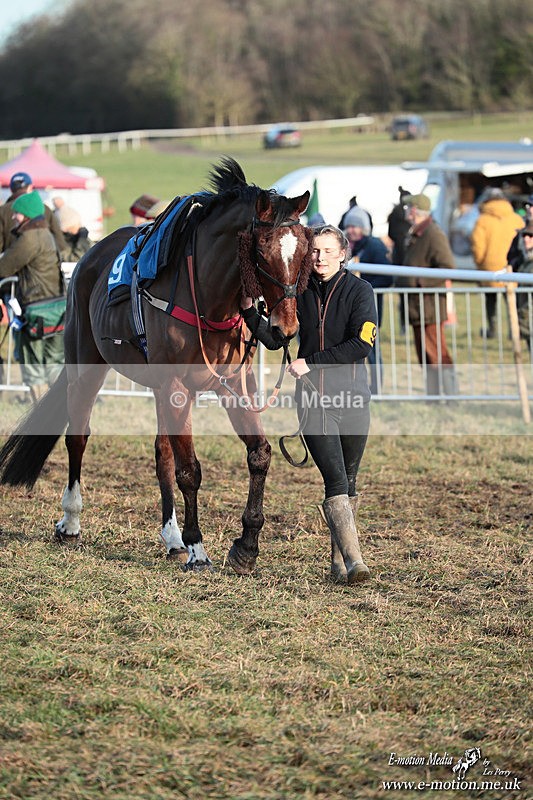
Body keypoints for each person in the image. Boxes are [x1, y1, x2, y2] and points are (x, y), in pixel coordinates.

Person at [241, 225, 377, 584]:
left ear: (342, 254)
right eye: (314, 251)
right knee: (334, 478)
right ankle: (356, 562)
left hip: (352, 397)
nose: (319, 258)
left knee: (349, 480)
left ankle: (338, 565)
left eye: (328, 251)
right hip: (313, 400)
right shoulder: (297, 295)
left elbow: (361, 345)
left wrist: (311, 362)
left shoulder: (360, 292)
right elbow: (274, 338)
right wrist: (249, 314)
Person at [0, 191, 64, 403]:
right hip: (56, 308)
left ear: (27, 215)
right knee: (54, 364)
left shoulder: (29, 238)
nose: (13, 217)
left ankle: (40, 416)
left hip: (36, 309)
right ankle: (57, 410)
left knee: (33, 366)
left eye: (17, 214)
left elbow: (4, 267)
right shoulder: (46, 235)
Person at [402, 193, 457, 397]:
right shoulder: (416, 233)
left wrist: (420, 283)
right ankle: (432, 396)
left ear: (415, 210)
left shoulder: (433, 233)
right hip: (418, 305)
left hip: (430, 305)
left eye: (408, 208)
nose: (406, 211)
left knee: (437, 352)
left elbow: (448, 267)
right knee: (425, 354)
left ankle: (451, 396)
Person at [343, 206, 392, 394]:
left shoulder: (374, 246)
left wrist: (364, 286)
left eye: (356, 226)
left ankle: (376, 388)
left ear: (364, 228)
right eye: (349, 226)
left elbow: (387, 277)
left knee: (371, 350)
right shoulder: (347, 246)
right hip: (350, 308)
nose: (352, 230)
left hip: (370, 307)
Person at [471, 188, 524, 338]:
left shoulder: (482, 220)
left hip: (489, 268)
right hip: (511, 266)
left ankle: (492, 329)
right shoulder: (515, 218)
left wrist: (480, 263)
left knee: (491, 300)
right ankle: (514, 331)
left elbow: (477, 246)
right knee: (512, 301)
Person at [0, 172, 66, 255]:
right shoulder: (45, 209)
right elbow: (60, 243)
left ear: (11, 189)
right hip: (41, 263)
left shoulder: (2, 211)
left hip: (11, 264)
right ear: (30, 188)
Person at [507, 219, 533, 350]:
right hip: (526, 320)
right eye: (524, 235)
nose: (526, 239)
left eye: (530, 236)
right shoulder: (522, 259)